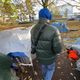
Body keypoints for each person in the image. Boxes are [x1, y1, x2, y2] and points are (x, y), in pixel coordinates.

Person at [31, 8, 63, 80]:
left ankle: (45, 77)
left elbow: (33, 43)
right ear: (49, 16)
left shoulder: (33, 29)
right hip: (50, 57)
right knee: (50, 69)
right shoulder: (54, 29)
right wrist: (58, 52)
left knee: (43, 68)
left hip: (40, 56)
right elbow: (58, 48)